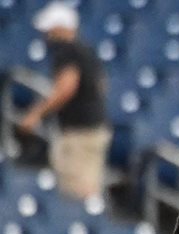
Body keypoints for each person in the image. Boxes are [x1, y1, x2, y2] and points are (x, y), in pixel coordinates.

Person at [18, 3, 112, 201]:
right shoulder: (87, 52)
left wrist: (36, 114)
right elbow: (102, 86)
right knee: (87, 187)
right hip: (94, 128)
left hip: (78, 133)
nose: (47, 36)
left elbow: (66, 88)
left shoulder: (67, 52)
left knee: (76, 192)